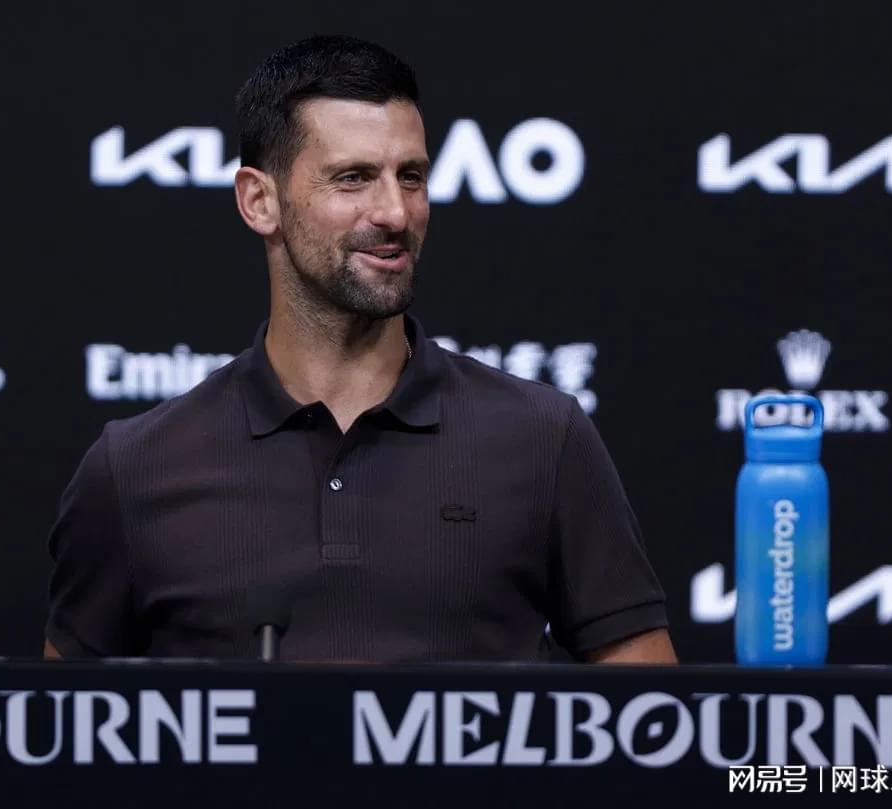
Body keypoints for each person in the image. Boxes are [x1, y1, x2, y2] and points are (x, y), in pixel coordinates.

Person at [44, 34, 676, 664]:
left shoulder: (543, 438)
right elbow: (63, 721)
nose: (395, 213)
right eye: (353, 179)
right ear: (259, 201)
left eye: (412, 177)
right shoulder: (136, 468)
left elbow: (649, 713)